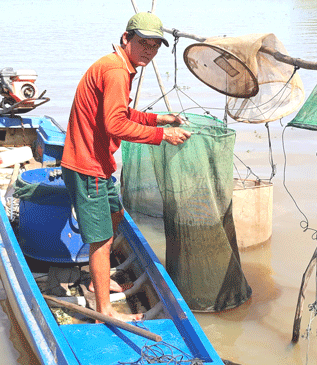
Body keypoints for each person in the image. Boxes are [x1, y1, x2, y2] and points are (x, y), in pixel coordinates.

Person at [61, 12, 191, 322]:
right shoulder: (117, 71)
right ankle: (104, 309)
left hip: (100, 164)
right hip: (87, 166)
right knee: (102, 240)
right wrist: (163, 135)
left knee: (116, 215)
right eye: (143, 43)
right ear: (125, 39)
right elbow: (116, 124)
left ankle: (98, 278)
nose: (149, 50)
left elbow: (119, 111)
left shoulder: (118, 66)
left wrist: (157, 118)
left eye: (155, 46)